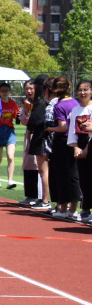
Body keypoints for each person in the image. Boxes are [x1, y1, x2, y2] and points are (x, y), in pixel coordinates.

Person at [47, 76, 80, 219]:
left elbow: (62, 127)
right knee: (74, 175)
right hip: (75, 140)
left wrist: (49, 129)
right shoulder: (75, 102)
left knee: (61, 176)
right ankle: (74, 209)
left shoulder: (59, 105)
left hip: (62, 142)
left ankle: (63, 208)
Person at [24, 76, 52, 211]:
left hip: (41, 138)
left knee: (43, 171)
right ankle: (45, 198)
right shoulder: (45, 101)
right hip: (44, 138)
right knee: (44, 171)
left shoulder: (41, 102)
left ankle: (45, 199)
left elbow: (33, 122)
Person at [69, 79, 92, 223]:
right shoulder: (75, 110)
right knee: (83, 179)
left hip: (91, 145)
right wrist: (76, 147)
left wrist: (87, 149)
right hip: (80, 144)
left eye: (86, 89)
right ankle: (85, 209)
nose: (82, 92)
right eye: (80, 90)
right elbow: (72, 131)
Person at [0, 82, 20, 190]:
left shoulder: (13, 103)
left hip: (10, 131)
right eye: (2, 91)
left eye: (6, 90)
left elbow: (17, 117)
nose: (5, 93)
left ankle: (10, 180)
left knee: (11, 156)